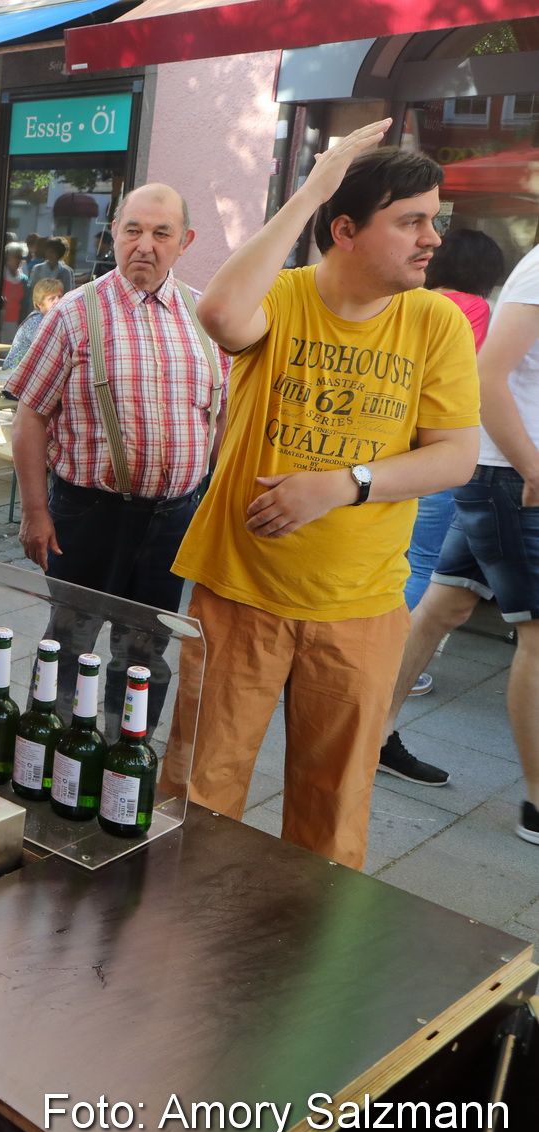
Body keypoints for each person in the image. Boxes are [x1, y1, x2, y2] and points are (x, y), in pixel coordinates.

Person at [171, 126, 481, 870]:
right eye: (411, 219)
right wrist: (314, 184)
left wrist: (345, 483)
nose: (431, 238)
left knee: (333, 812)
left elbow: (456, 456)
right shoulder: (278, 300)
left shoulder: (434, 321)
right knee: (199, 794)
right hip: (240, 590)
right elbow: (217, 314)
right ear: (346, 230)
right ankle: (176, 944)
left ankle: (304, 961)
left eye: (433, 219)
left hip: (362, 605)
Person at [7, 184, 228, 727]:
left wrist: (214, 502)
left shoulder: (208, 318)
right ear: (113, 235)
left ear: (185, 241)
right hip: (89, 512)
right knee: (70, 641)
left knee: (148, 651)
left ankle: (125, 751)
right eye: (133, 230)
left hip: (174, 517)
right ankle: (52, 743)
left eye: (161, 233)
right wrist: (36, 513)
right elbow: (30, 417)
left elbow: (221, 418)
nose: (145, 245)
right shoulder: (74, 314)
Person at [374, 241, 539, 840]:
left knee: (444, 602)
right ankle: (538, 804)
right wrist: (532, 468)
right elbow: (483, 377)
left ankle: (373, 733)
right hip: (505, 476)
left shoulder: (446, 299)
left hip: (481, 467)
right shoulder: (507, 287)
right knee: (535, 635)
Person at [387, 227, 507, 703]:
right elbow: (463, 381)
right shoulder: (473, 308)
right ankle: (394, 662)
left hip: (398, 446)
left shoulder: (416, 299)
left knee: (399, 556)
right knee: (424, 562)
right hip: (437, 448)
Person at [0, 278, 65, 371]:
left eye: (60, 296)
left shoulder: (52, 319)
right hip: (14, 374)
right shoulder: (35, 321)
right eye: (52, 298)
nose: (58, 301)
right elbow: (49, 350)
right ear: (39, 304)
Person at [0, 242, 30, 343]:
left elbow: (25, 305)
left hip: (16, 323)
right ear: (7, 258)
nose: (19, 260)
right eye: (16, 257)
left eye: (21, 257)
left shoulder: (23, 280)